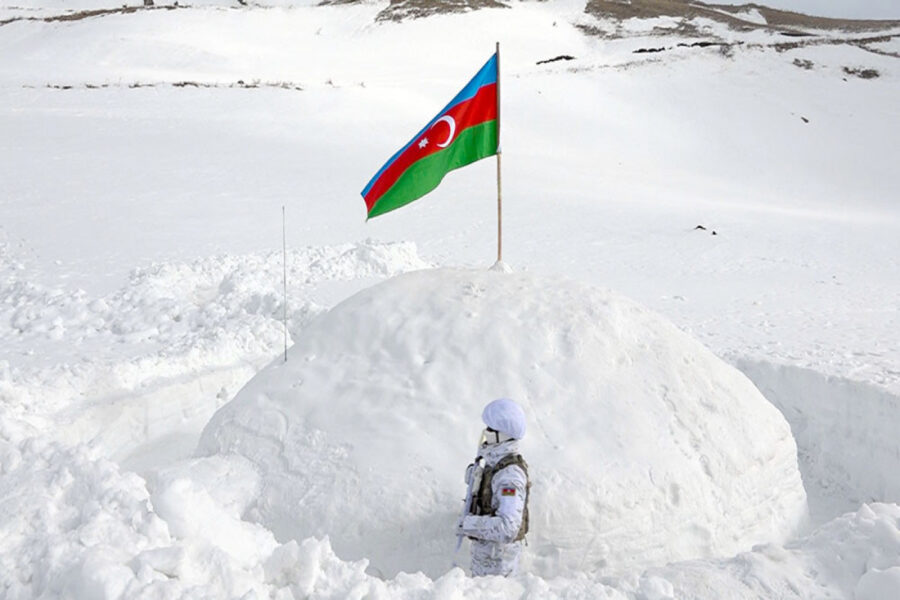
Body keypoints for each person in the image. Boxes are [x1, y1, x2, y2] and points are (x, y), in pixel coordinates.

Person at [456, 398, 530, 577]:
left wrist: (469, 524)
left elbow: (507, 528)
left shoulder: (509, 476)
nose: (485, 434)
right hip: (487, 560)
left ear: (502, 435)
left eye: (490, 430)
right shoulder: (494, 465)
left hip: (498, 566)